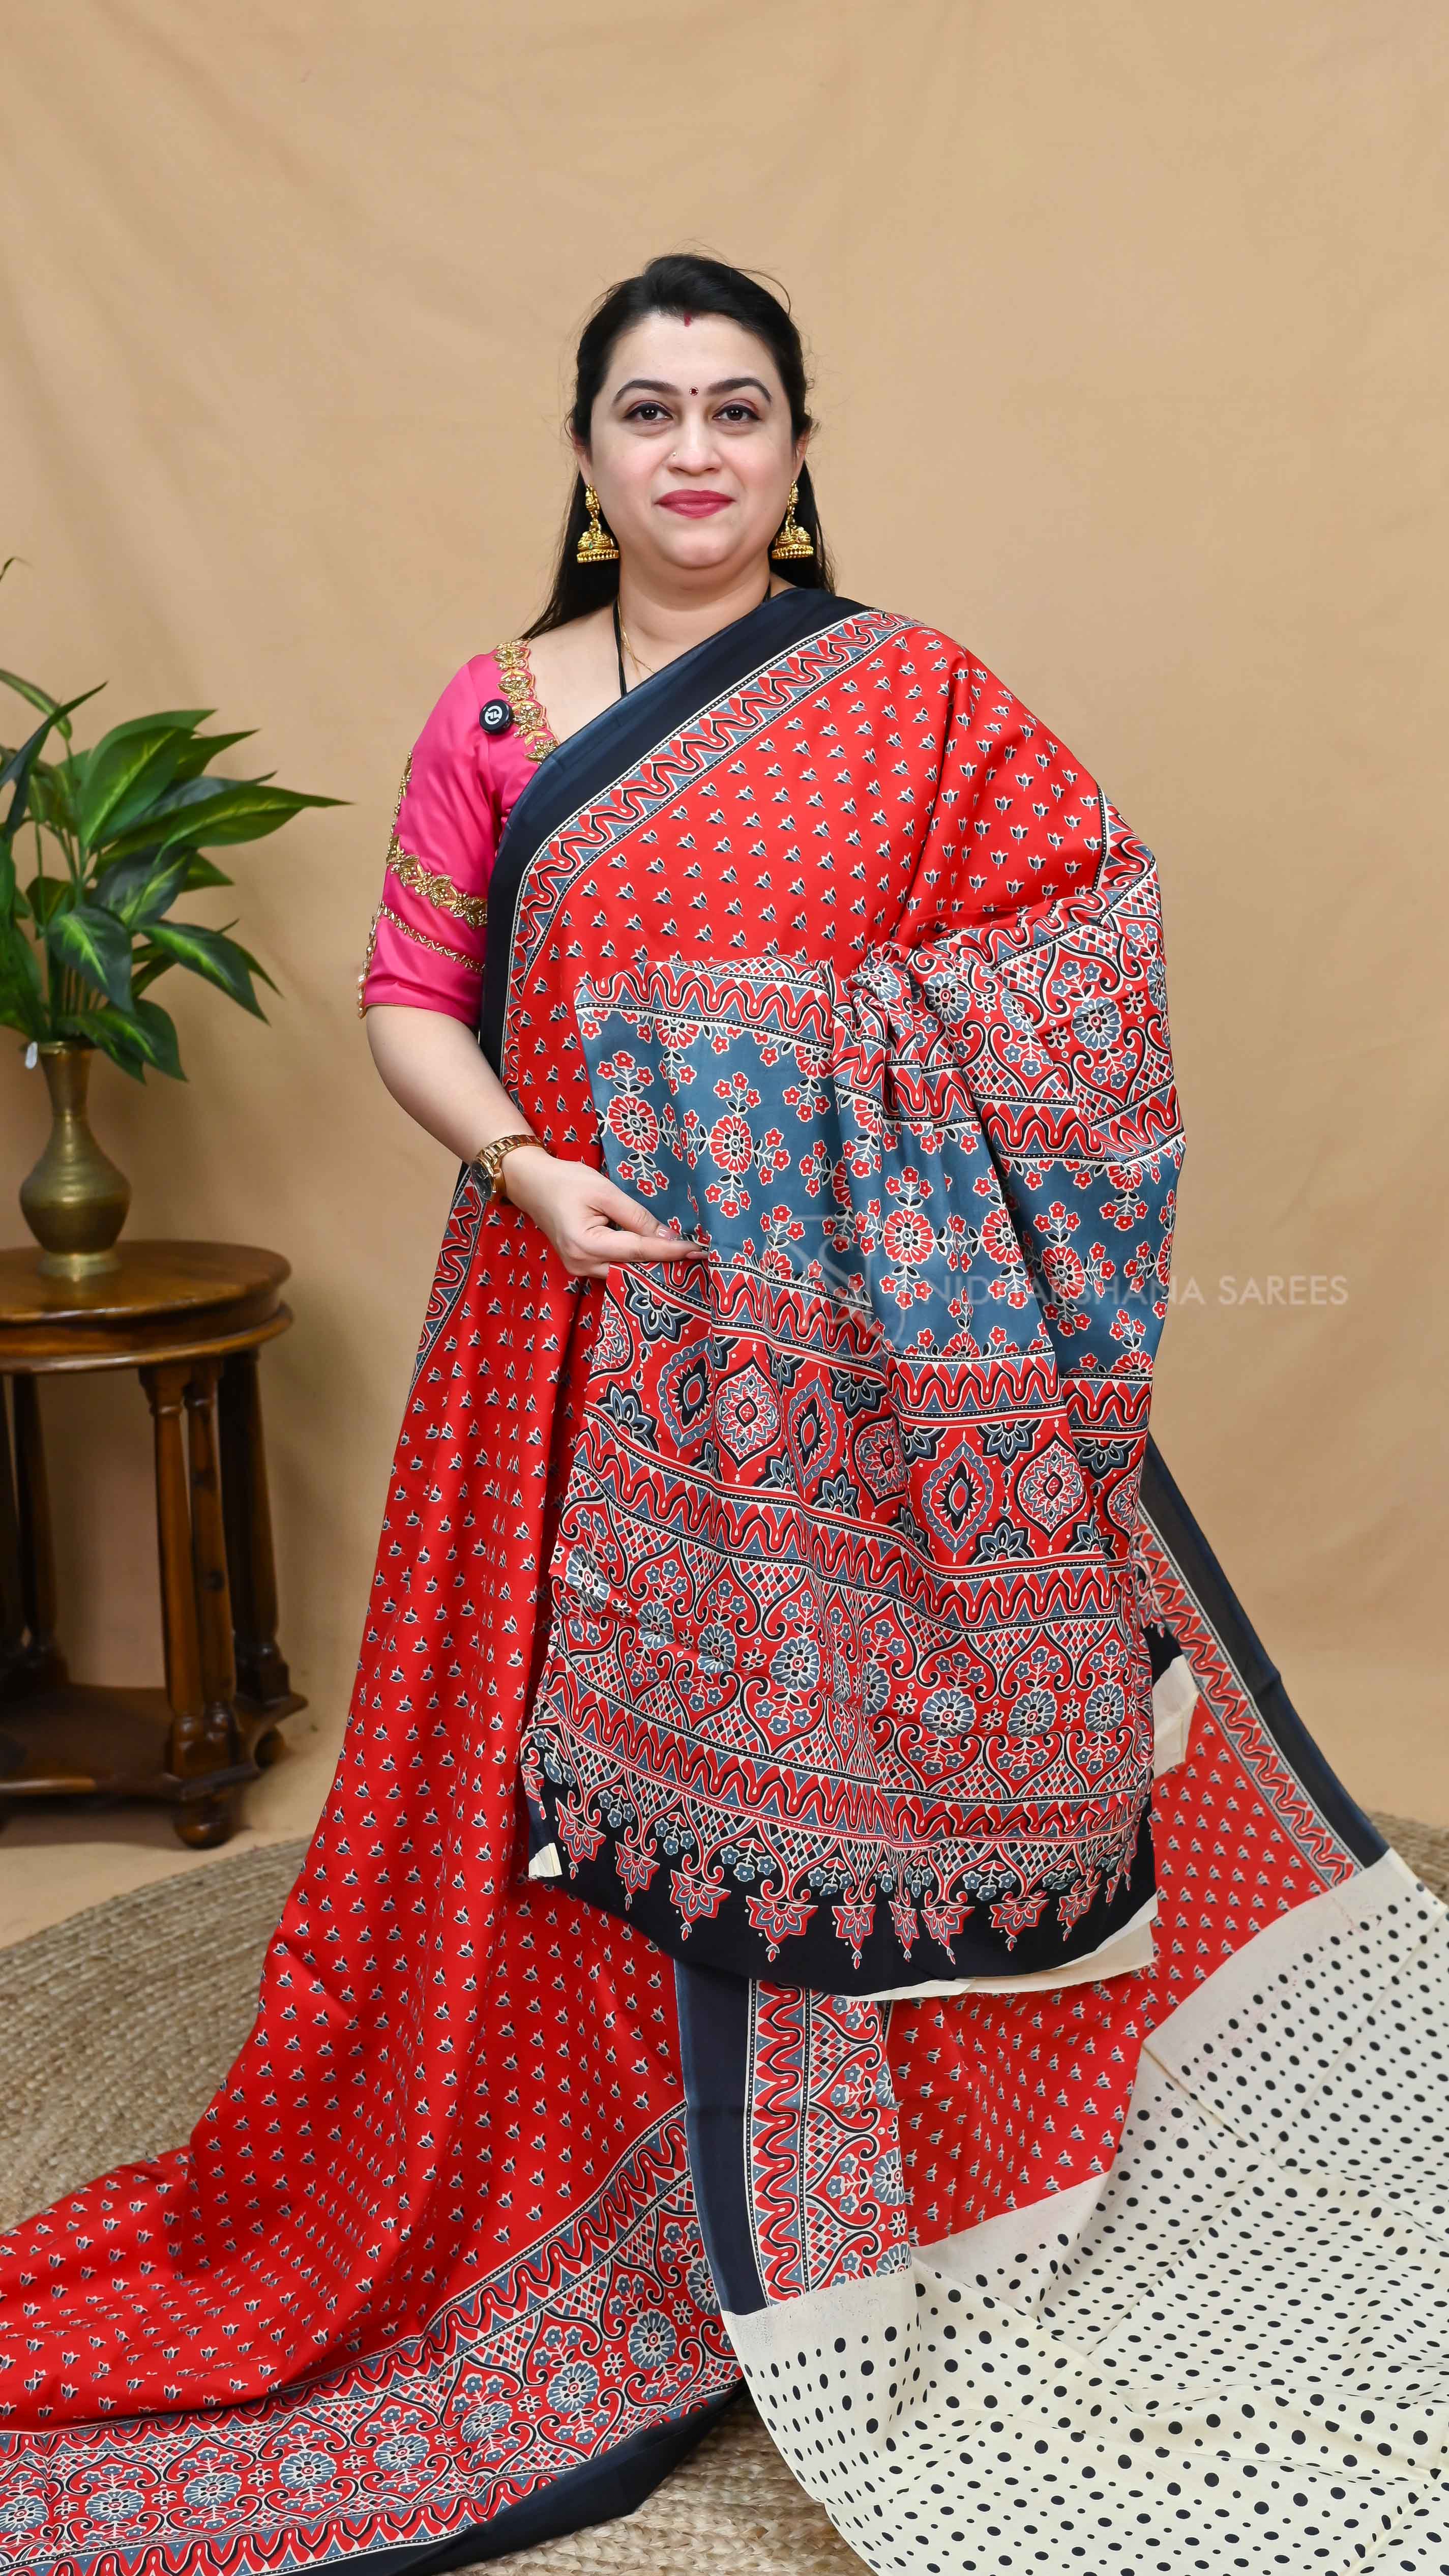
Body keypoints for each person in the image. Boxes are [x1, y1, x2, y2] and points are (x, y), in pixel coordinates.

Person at [1, 254, 1442, 2576]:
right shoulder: (499, 711)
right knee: (519, 1782)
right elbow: (408, 993)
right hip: (564, 1321)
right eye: (649, 410)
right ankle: (563, 2189)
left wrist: (829, 1096)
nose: (694, 450)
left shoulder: (912, 698)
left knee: (850, 1743)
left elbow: (1079, 950)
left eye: (738, 408)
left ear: (797, 449)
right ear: (585, 457)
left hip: (859, 1349)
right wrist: (523, 1164)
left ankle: (871, 2184)